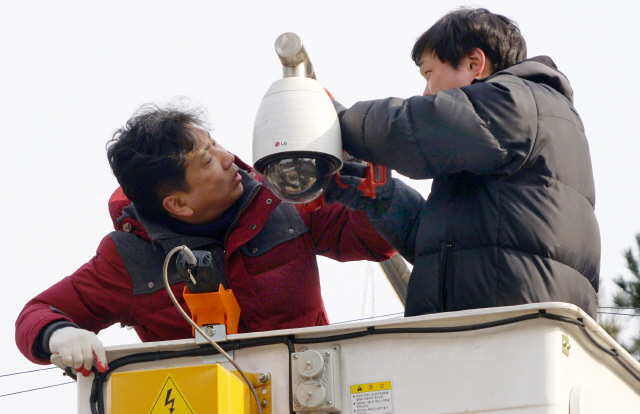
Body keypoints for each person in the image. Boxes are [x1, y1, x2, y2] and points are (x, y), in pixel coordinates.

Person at [15, 104, 395, 375]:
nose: (229, 157)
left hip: (311, 394)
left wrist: (359, 174)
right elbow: (36, 314)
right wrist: (59, 334)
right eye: (207, 160)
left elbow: (376, 240)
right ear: (178, 204)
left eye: (215, 144)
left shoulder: (283, 198)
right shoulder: (130, 258)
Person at [329, 8, 600, 319]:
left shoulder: (515, 103)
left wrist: (338, 122)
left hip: (508, 335)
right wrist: (378, 195)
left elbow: (414, 128)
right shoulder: (492, 142)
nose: (426, 91)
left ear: (474, 63)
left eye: (429, 73)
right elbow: (444, 250)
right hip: (502, 334)